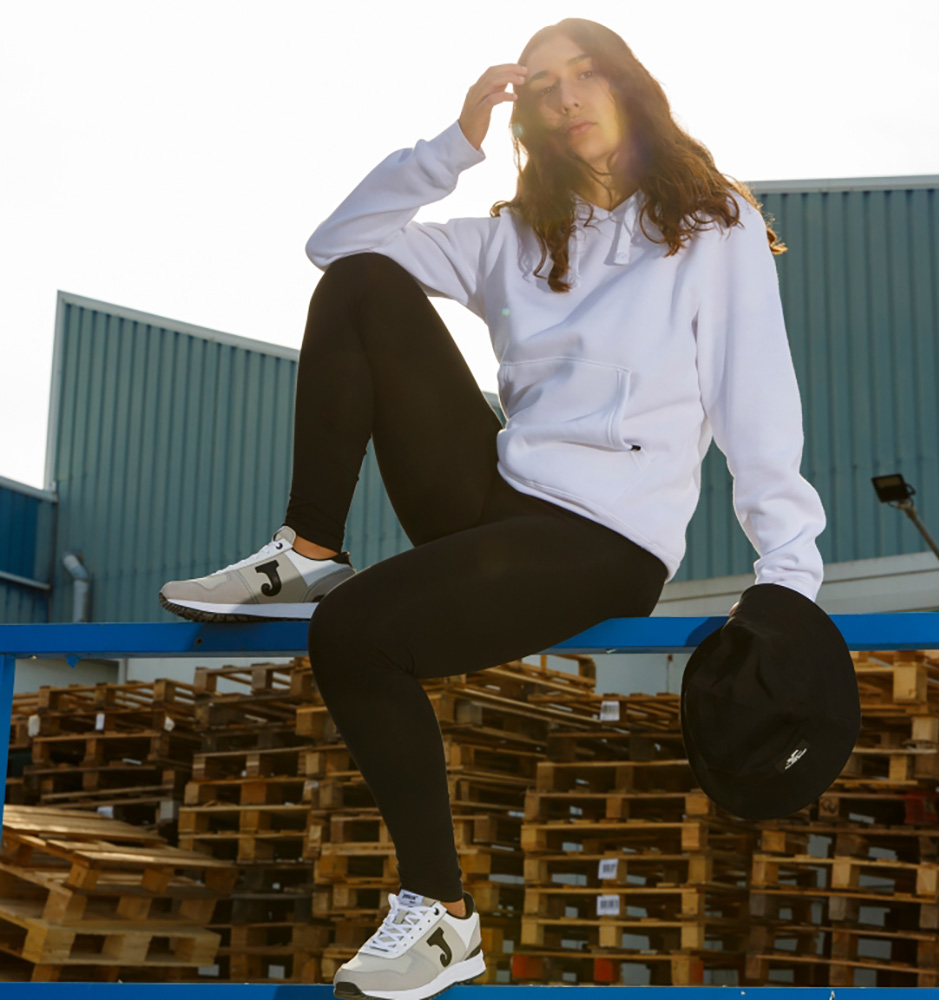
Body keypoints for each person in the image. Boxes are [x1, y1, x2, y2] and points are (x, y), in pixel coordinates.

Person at [159, 16, 826, 998]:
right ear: (528, 114)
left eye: (586, 73)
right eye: (543, 84)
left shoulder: (707, 225)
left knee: (355, 635)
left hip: (604, 538)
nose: (567, 95)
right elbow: (337, 245)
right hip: (493, 498)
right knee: (362, 284)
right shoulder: (517, 234)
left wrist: (789, 579)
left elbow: (755, 400)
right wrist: (452, 145)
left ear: (627, 85)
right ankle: (307, 549)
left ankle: (443, 918)